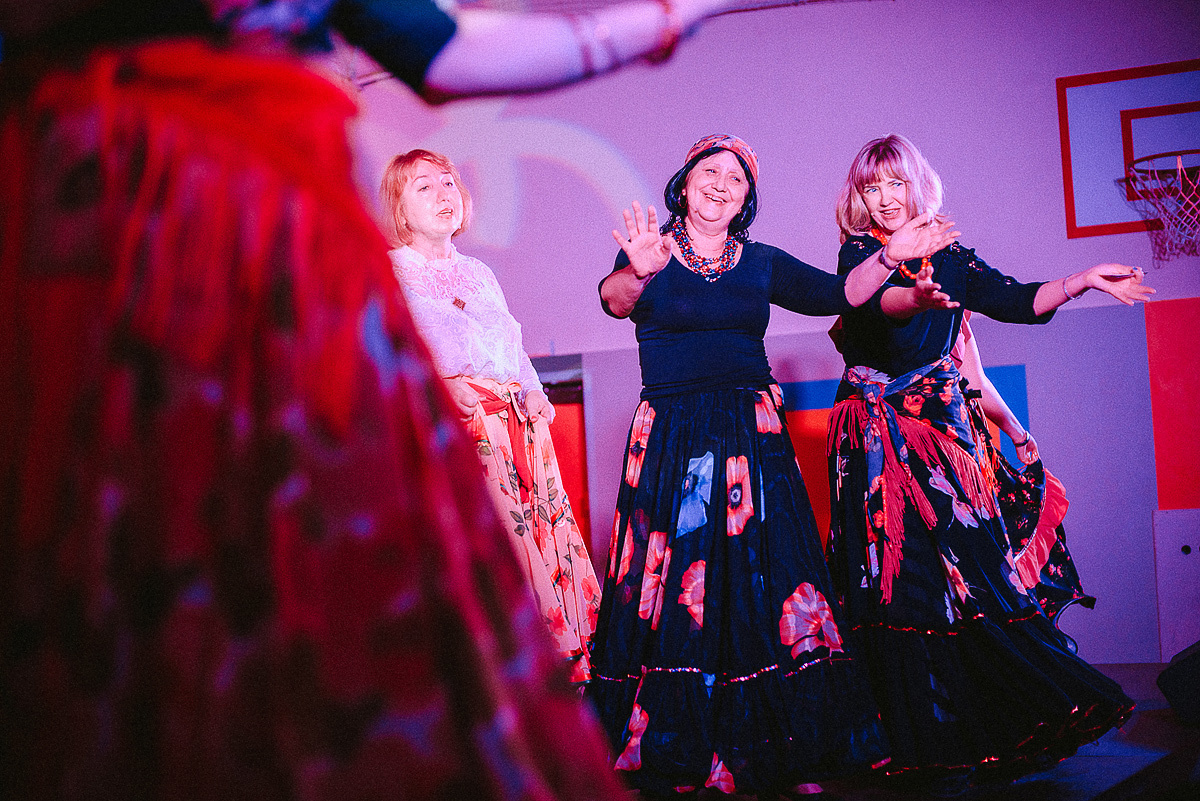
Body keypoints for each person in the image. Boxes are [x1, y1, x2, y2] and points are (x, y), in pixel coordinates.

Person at [0, 1, 766, 799]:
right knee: (114, 521)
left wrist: (672, 13)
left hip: (272, 215)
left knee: (315, 544)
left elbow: (444, 48)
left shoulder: (472, 270)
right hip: (87, 213)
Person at [588, 133, 959, 799]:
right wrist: (638, 269)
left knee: (766, 577)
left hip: (751, 432)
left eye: (736, 177)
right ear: (684, 181)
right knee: (681, 586)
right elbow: (615, 299)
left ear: (745, 200)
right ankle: (673, 738)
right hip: (673, 436)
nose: (722, 182)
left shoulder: (760, 262)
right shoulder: (650, 250)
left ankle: (784, 739)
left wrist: (889, 256)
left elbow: (843, 291)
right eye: (710, 170)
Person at [825, 133, 1149, 785]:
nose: (885, 197)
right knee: (893, 581)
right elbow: (873, 300)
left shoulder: (950, 255)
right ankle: (913, 736)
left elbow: (1015, 300)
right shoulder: (861, 254)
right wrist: (904, 275)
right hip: (873, 443)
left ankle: (991, 722)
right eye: (872, 187)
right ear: (859, 197)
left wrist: (1080, 280)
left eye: (894, 183)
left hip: (941, 438)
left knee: (971, 576)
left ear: (917, 184)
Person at [383, 148, 601, 684]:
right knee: (482, 545)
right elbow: (391, 351)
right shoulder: (393, 271)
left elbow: (512, 343)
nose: (442, 195)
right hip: (456, 429)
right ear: (399, 206)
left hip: (515, 428)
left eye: (449, 182)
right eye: (424, 187)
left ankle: (557, 665)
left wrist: (532, 391)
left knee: (537, 539)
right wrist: (442, 385)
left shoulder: (479, 273)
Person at [953, 315, 1095, 629]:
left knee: (986, 556)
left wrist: (1019, 434)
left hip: (960, 448)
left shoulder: (952, 305)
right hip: (909, 448)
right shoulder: (876, 293)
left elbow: (974, 381)